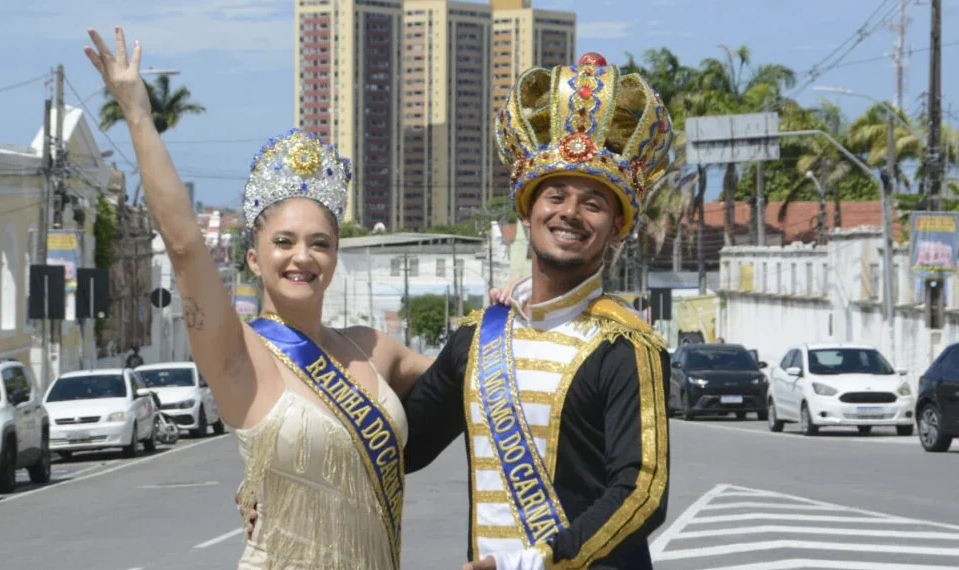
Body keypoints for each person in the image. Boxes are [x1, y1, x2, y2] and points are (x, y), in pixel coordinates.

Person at [84, 26, 434, 570]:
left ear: (336, 256)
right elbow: (183, 246)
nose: (302, 257)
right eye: (283, 242)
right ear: (254, 258)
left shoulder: (373, 350)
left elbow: (475, 374)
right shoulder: (237, 355)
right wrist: (136, 111)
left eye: (320, 243)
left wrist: (516, 302)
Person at [400, 53, 674, 570]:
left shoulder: (626, 347)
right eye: (556, 195)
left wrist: (535, 562)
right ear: (528, 211)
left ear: (616, 227)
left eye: (593, 203)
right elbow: (403, 448)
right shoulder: (478, 337)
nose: (570, 212)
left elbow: (641, 490)